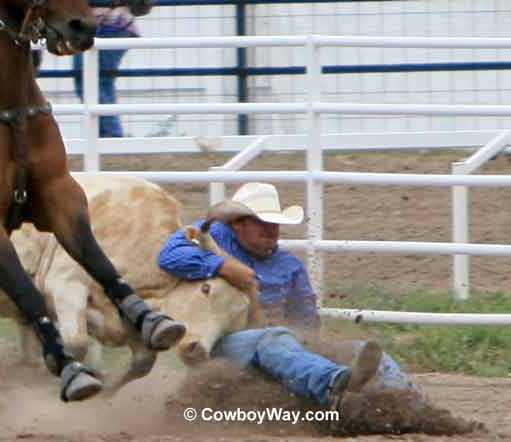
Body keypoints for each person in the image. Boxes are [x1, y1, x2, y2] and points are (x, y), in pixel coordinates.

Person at [158, 182, 421, 410]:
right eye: (263, 223)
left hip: (282, 348)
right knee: (273, 338)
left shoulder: (290, 267)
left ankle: (409, 404)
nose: (272, 231)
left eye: (275, 224)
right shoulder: (214, 237)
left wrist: (313, 346)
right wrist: (223, 267)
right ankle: (333, 385)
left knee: (361, 350)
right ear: (238, 224)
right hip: (223, 343)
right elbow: (169, 253)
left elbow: (307, 325)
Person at [74, 1, 139, 138]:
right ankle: (108, 136)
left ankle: (111, 135)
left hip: (107, 24)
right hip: (111, 24)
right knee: (101, 83)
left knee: (89, 82)